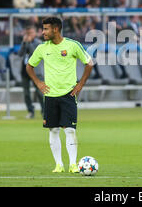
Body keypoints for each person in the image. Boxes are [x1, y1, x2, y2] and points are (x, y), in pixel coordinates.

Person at [26, 17, 93, 174]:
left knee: (70, 130)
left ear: (55, 29)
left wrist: (81, 84)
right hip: (50, 96)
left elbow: (89, 63)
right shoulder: (42, 48)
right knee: (53, 131)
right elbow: (29, 66)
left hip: (68, 94)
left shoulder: (72, 45)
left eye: (46, 29)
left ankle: (73, 164)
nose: (43, 32)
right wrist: (38, 83)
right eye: (43, 29)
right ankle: (58, 165)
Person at [18, 25, 44, 119]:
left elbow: (34, 53)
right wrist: (24, 43)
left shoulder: (39, 43)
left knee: (40, 92)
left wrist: (28, 43)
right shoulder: (24, 42)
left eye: (31, 33)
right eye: (27, 33)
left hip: (35, 71)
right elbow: (20, 54)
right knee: (26, 93)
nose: (29, 35)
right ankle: (30, 111)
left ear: (35, 33)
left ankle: (44, 111)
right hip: (25, 71)